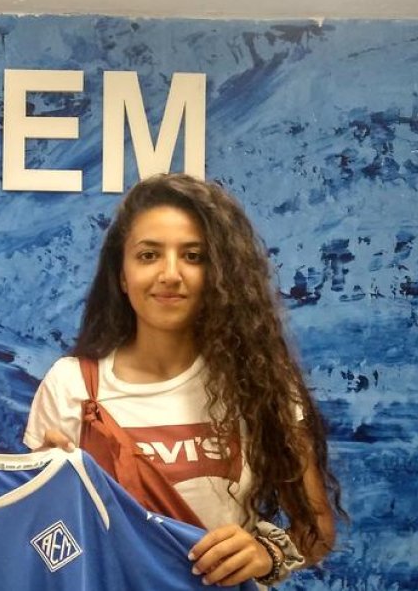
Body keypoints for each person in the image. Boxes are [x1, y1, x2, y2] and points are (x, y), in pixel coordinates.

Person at [24, 173, 343, 587]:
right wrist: (48, 495)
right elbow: (38, 545)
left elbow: (316, 528)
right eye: (148, 255)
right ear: (122, 276)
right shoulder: (71, 385)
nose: (170, 274)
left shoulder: (261, 382)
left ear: (219, 273)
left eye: (193, 256)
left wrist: (268, 553)